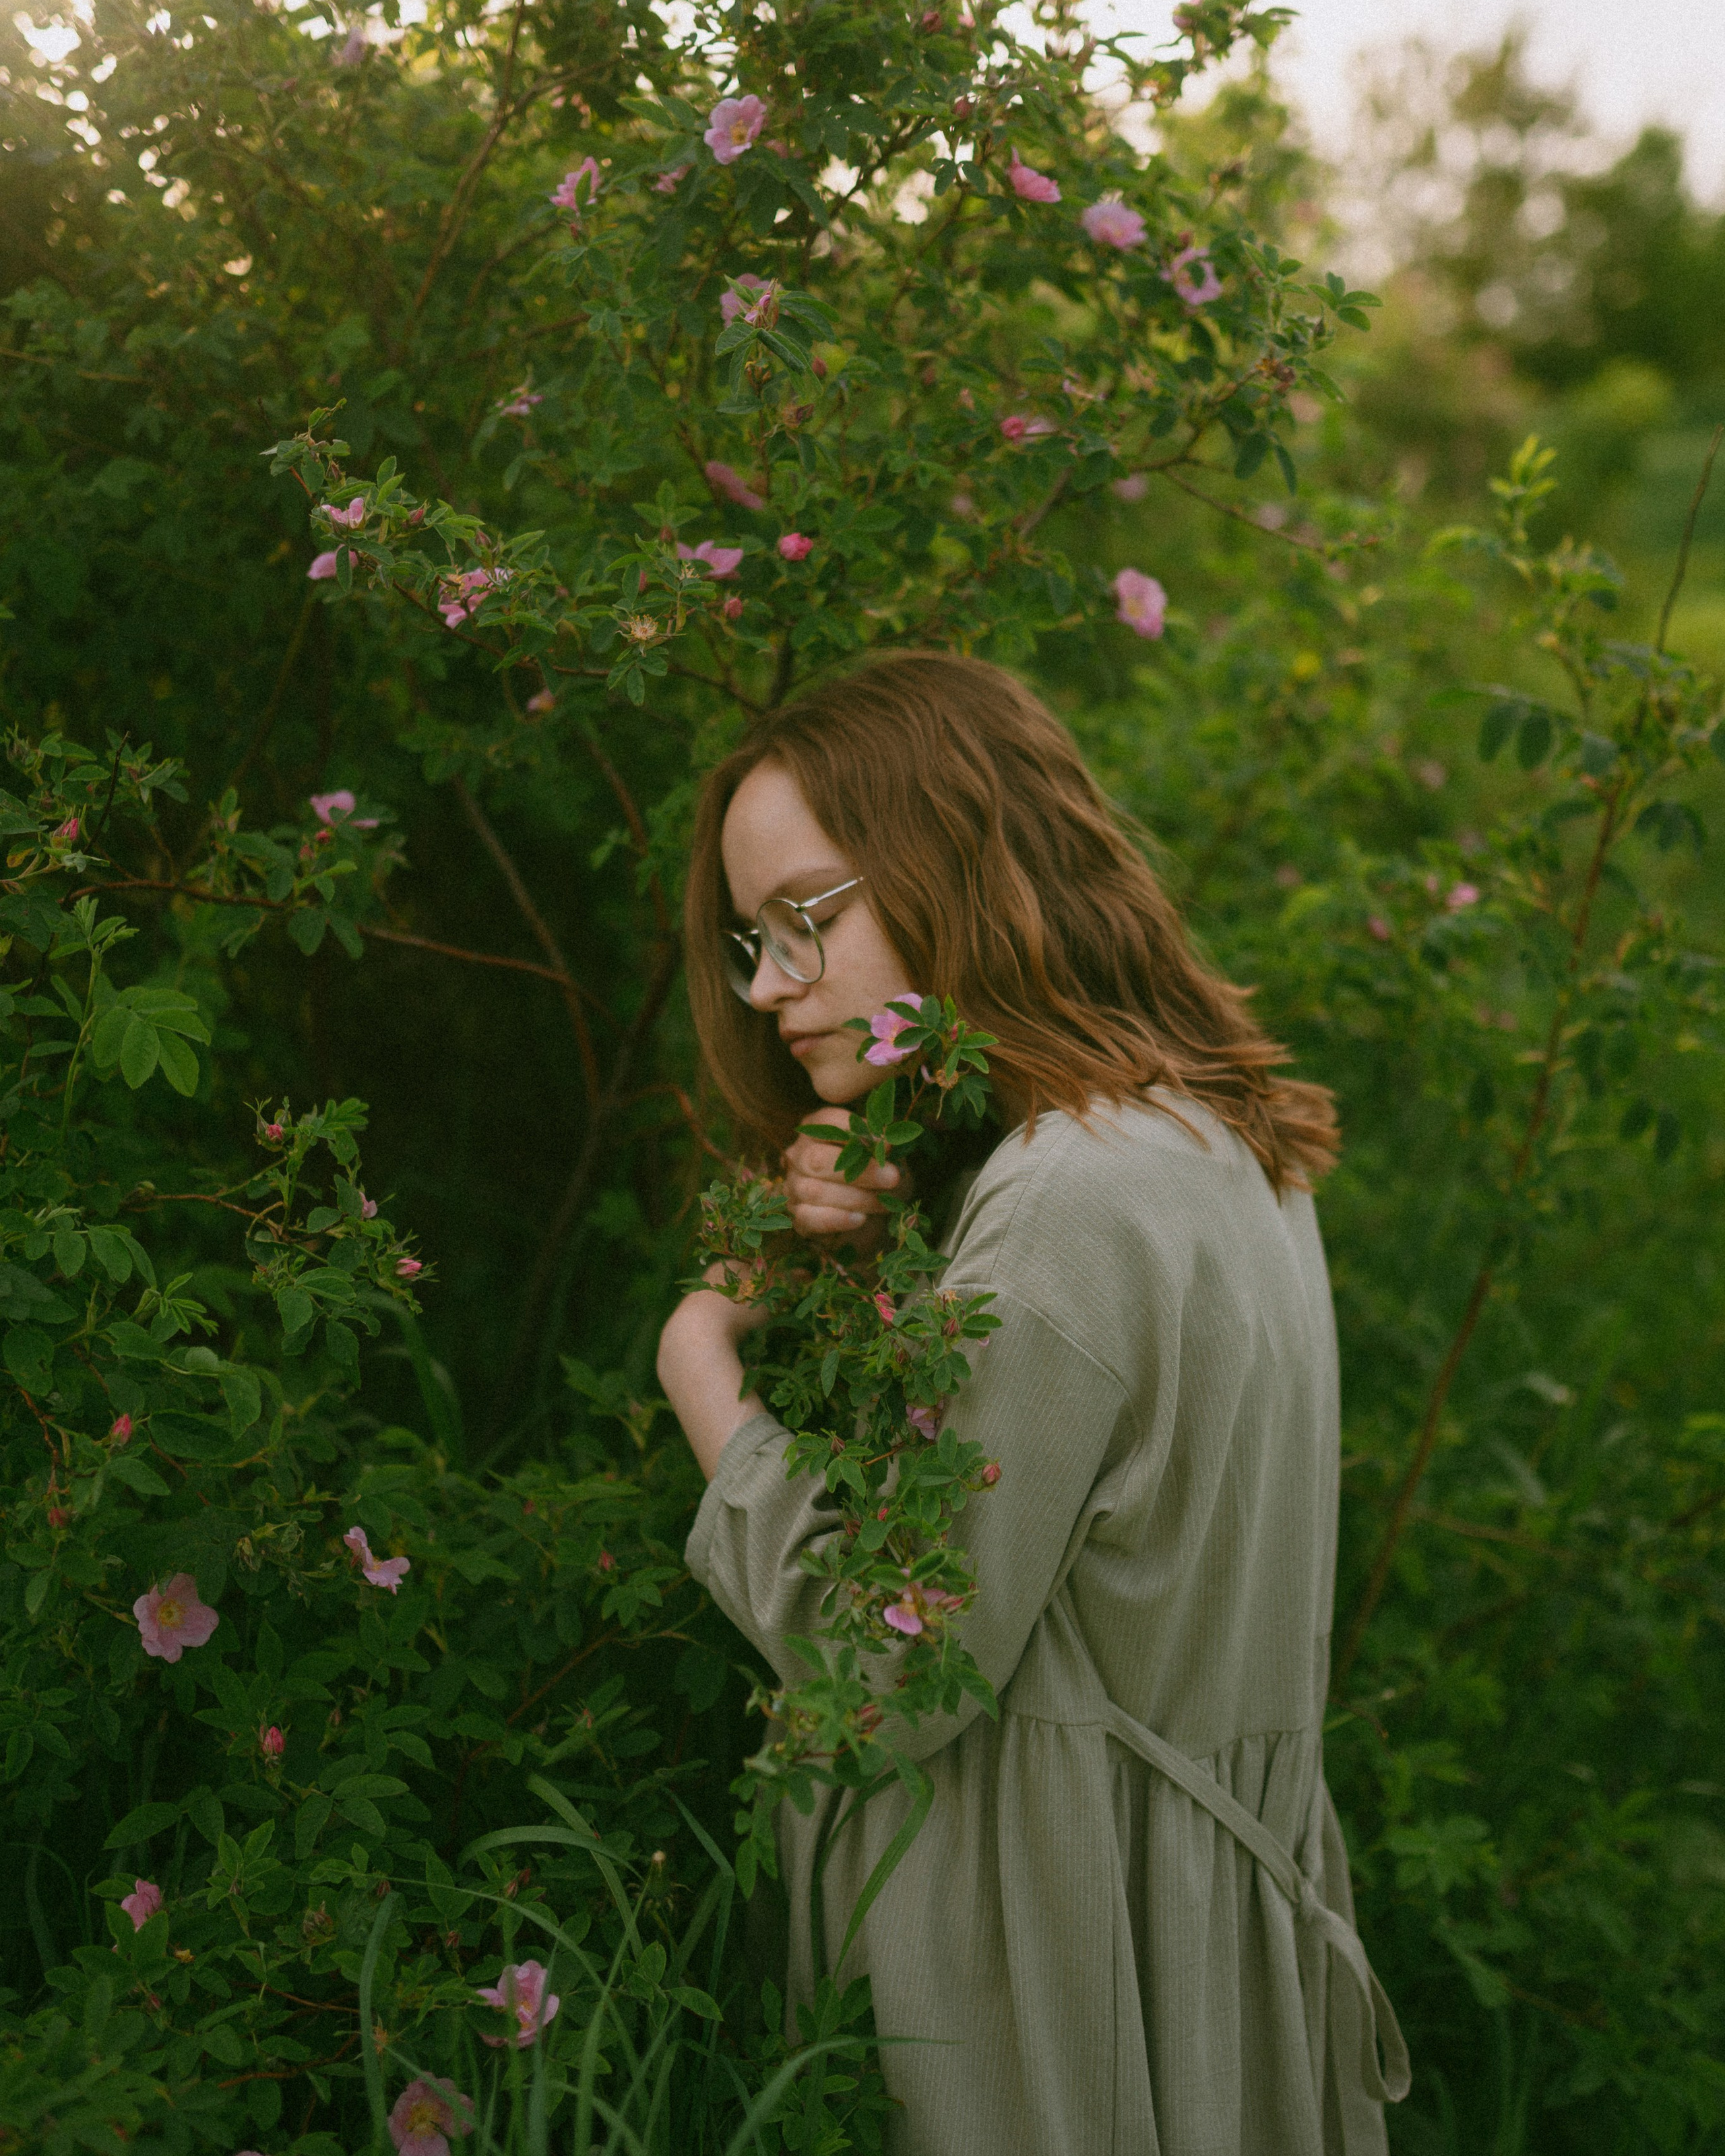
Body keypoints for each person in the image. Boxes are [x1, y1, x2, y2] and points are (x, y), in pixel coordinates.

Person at [657, 652, 1408, 2156]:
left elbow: (888, 1665)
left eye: (808, 918)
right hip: (1179, 1939)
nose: (765, 985)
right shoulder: (1210, 1142)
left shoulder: (1064, 1198)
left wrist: (703, 1366)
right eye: (750, 939)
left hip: (1049, 1970)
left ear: (954, 861)